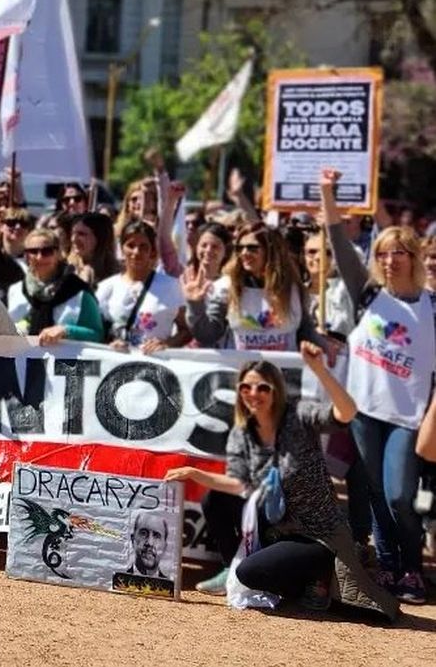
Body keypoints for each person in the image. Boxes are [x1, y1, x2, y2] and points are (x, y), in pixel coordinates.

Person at [165, 350, 397, 620]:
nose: (254, 393)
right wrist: (194, 473)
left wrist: (321, 370)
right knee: (214, 499)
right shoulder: (243, 432)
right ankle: (231, 566)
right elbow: (239, 483)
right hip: (277, 525)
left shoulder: (299, 415)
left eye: (262, 387)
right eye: (246, 387)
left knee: (250, 574)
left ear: (276, 390)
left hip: (317, 533)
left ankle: (319, 577)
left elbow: (345, 413)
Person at [320, 169, 434, 603]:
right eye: (383, 254)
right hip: (364, 411)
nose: (389, 261)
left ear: (414, 256)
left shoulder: (432, 306)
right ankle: (390, 568)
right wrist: (329, 193)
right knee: (374, 495)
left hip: (409, 417)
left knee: (401, 496)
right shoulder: (367, 295)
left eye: (399, 253)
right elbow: (337, 239)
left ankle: (411, 565)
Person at [184, 222, 322, 353]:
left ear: (270, 250)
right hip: (244, 373)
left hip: (285, 374)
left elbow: (306, 331)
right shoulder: (227, 287)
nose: (244, 253)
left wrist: (325, 345)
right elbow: (208, 335)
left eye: (252, 248)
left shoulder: (293, 288)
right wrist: (195, 304)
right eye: (240, 248)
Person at [97, 220, 187, 352]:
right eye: (130, 245)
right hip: (114, 366)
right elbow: (96, 330)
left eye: (143, 247)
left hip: (153, 366)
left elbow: (186, 331)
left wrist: (166, 345)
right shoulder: (106, 287)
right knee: (63, 367)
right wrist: (108, 343)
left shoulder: (171, 286)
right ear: (122, 249)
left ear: (152, 251)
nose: (136, 252)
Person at [8, 229, 103, 345]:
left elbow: (97, 335)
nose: (39, 257)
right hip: (22, 360)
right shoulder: (16, 290)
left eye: (47, 251)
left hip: (66, 362)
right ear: (26, 256)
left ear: (58, 253)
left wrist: (66, 331)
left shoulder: (79, 292)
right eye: (33, 251)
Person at [64, 211, 119, 288]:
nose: (73, 239)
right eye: (73, 233)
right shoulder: (65, 269)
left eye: (81, 234)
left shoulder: (118, 275)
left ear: (100, 238)